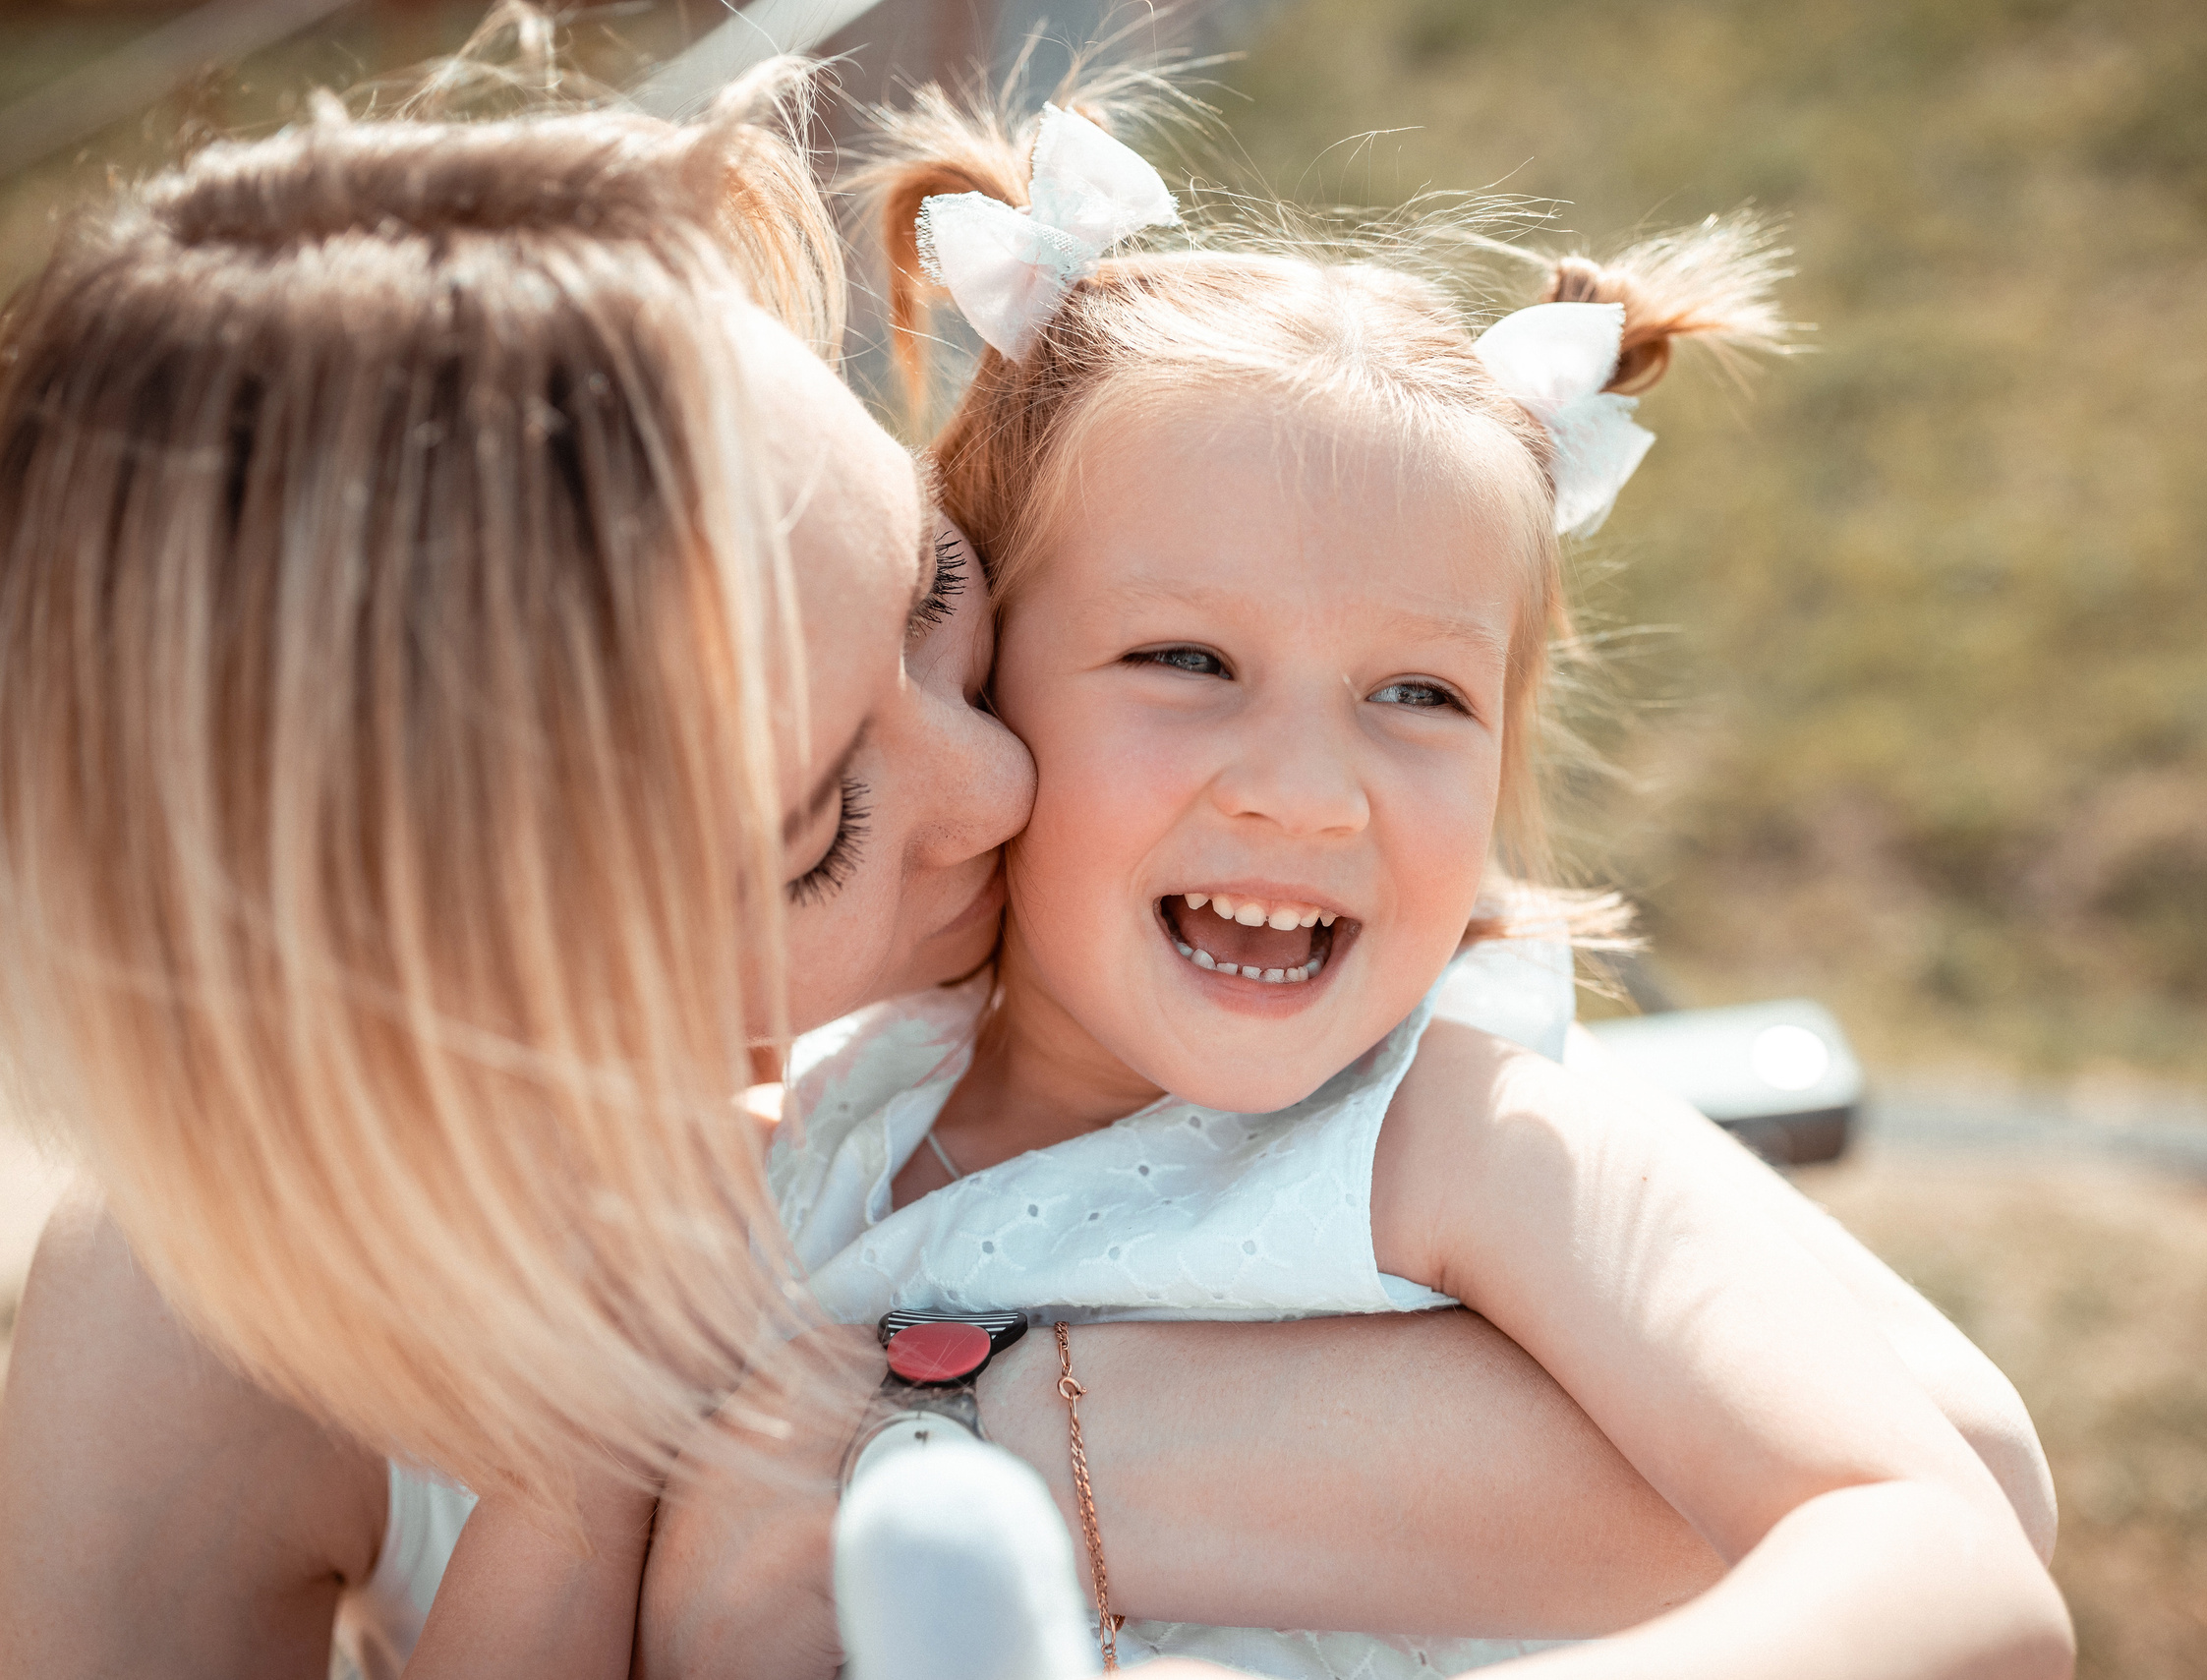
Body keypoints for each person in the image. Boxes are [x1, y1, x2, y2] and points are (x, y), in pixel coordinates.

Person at [0, 57, 2057, 1680]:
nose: (989, 773)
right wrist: (600, 1474)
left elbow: (1951, 1512)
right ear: (499, 972)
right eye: (823, 822)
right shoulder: (780, 1162)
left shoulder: (1450, 1135)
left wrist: (971, 1451)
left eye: (932, 597)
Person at [727, 92, 2068, 1680]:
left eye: (1418, 694)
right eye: (1186, 661)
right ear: (989, 677)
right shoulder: (836, 1113)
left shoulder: (1458, 1141)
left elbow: (1952, 1551)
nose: (1307, 789)